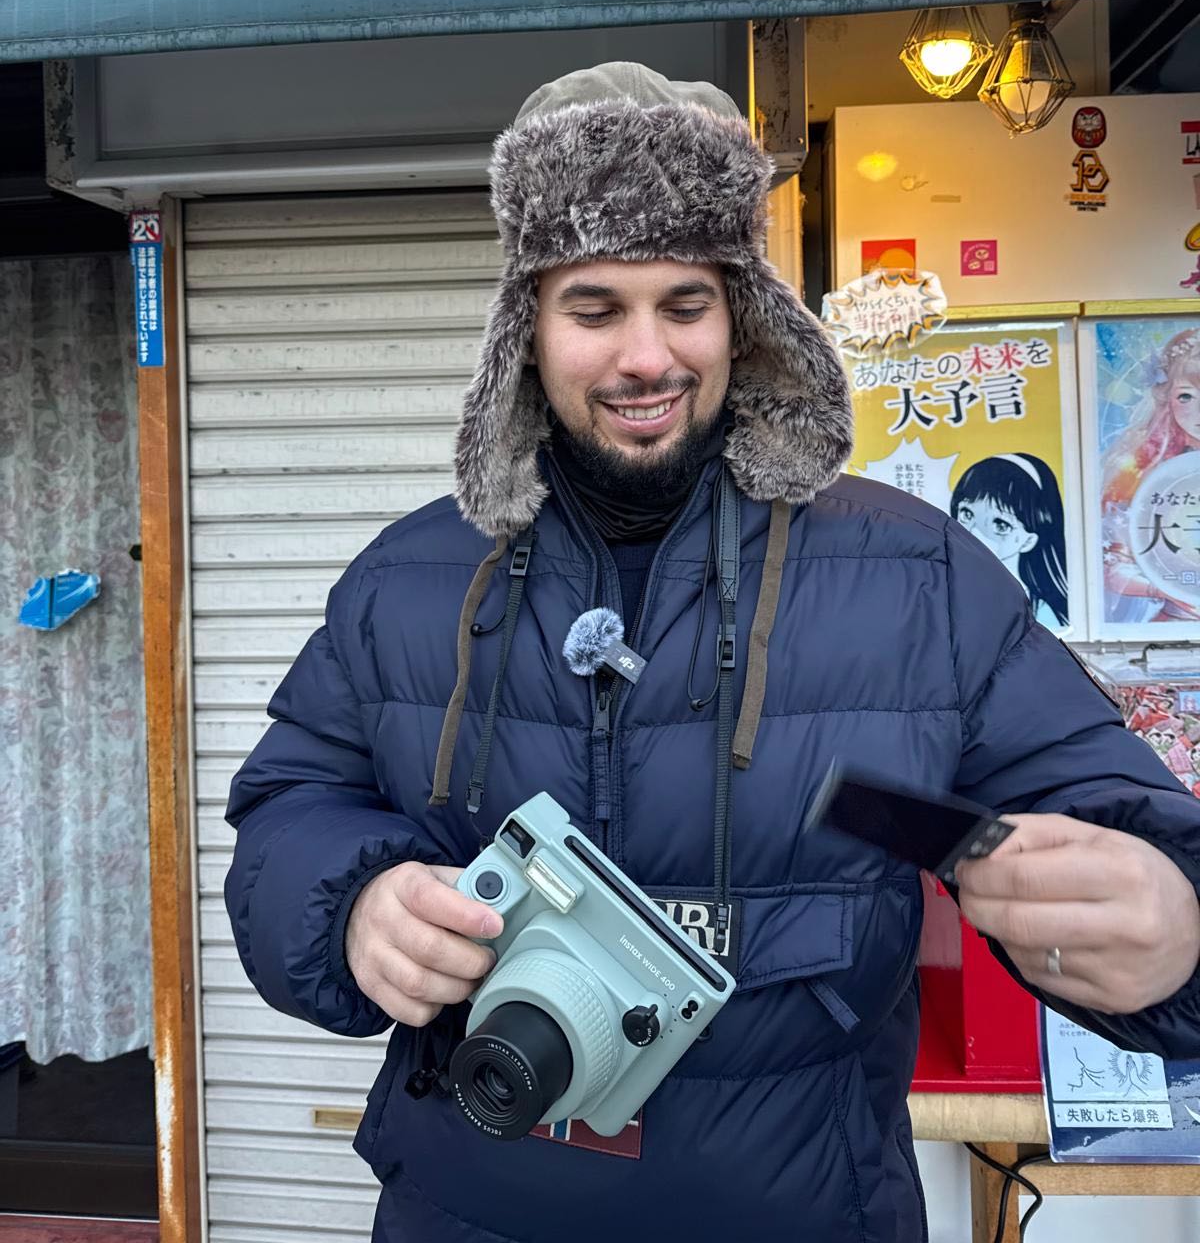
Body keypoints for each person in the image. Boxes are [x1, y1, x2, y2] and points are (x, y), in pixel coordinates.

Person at [225, 63, 1200, 1243]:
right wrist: (351, 903)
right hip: (465, 1208)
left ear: (742, 313)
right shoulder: (407, 580)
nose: (647, 356)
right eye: (595, 309)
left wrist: (1173, 924)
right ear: (524, 329)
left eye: (685, 302)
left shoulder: (918, 576)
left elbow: (1112, 815)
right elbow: (289, 808)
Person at [1101, 327, 1200, 623]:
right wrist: (1164, 591)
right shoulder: (1136, 471)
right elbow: (1112, 564)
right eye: (1186, 396)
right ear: (1164, 396)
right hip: (1171, 630)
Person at [950, 452, 1069, 628]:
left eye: (1000, 525)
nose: (974, 532)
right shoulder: (947, 595)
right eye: (967, 514)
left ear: (1028, 540)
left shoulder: (1042, 614)